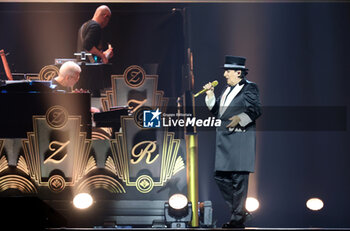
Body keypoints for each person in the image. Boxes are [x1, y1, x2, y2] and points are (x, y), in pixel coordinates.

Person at [203, 55, 261, 228]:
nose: (225, 75)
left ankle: (237, 219)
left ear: (238, 72)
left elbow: (255, 110)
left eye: (228, 71)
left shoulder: (250, 88)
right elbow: (218, 112)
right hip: (224, 140)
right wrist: (210, 95)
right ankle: (240, 212)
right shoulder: (226, 90)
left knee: (239, 180)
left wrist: (240, 119)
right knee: (220, 176)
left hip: (240, 139)